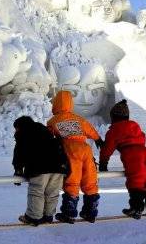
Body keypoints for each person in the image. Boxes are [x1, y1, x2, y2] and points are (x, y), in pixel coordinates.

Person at [47, 90, 103, 223]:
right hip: (85, 149)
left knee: (73, 180)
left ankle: (69, 213)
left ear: (55, 104)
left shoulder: (53, 121)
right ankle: (91, 212)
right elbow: (90, 129)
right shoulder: (78, 118)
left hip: (70, 149)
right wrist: (98, 139)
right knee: (90, 180)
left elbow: (48, 138)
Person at [99, 99, 146, 219]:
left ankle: (136, 208)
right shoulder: (134, 126)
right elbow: (142, 136)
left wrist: (103, 163)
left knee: (136, 180)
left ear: (114, 117)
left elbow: (107, 148)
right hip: (145, 152)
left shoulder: (115, 130)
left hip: (132, 154)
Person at [12, 116, 69, 226]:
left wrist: (18, 170)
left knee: (37, 192)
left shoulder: (23, 133)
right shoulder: (46, 131)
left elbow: (19, 153)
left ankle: (33, 217)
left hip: (39, 167)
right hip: (58, 167)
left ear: (20, 126)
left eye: (16, 128)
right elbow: (59, 147)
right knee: (52, 193)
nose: (15, 131)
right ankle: (48, 216)